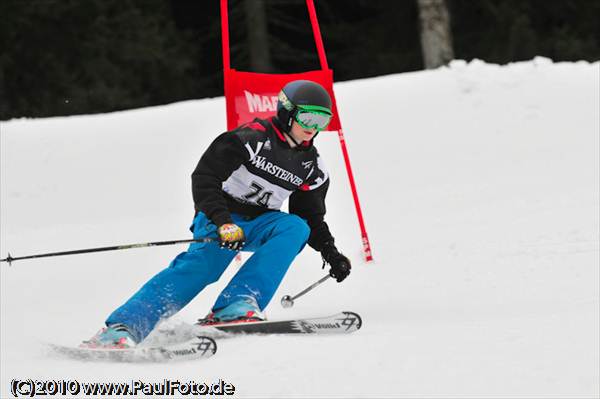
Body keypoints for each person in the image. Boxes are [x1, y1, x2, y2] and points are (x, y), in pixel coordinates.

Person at [83, 80, 352, 348]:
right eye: (307, 116)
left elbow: (310, 217)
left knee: (296, 227)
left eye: (322, 120)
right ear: (287, 111)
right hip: (219, 215)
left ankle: (236, 304)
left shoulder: (312, 167)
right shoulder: (251, 139)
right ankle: (122, 327)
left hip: (260, 222)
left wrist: (331, 253)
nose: (313, 127)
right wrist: (222, 222)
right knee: (202, 269)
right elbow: (205, 177)